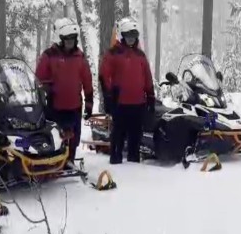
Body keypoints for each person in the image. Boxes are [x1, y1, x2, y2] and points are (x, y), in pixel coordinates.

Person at [35, 18, 93, 164]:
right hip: (55, 105)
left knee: (73, 137)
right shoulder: (49, 55)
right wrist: (46, 89)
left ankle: (70, 160)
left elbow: (87, 80)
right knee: (56, 136)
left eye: (73, 39)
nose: (70, 42)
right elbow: (39, 77)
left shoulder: (79, 56)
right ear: (61, 39)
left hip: (74, 105)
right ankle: (53, 161)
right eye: (67, 39)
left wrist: (89, 103)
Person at [99, 17, 155, 164]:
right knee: (118, 134)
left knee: (135, 136)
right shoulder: (113, 53)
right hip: (120, 103)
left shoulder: (140, 55)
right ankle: (116, 160)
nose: (131, 39)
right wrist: (108, 96)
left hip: (138, 103)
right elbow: (104, 75)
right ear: (123, 36)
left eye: (134, 36)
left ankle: (133, 161)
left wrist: (150, 96)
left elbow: (147, 77)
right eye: (128, 36)